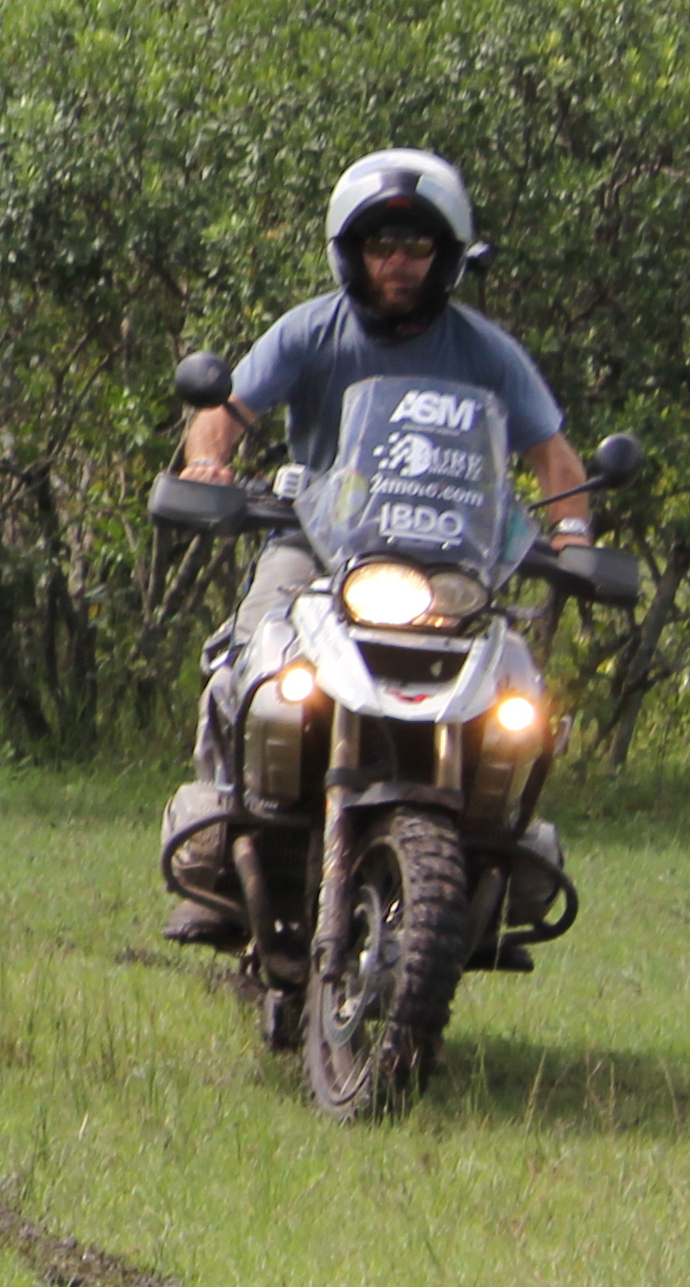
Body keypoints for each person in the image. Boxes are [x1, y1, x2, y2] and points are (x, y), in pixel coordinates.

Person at [158, 149, 595, 949]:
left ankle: (504, 843)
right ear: (351, 251)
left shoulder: (486, 351)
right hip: (320, 546)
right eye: (382, 246)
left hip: (452, 566)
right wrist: (209, 462)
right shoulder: (310, 329)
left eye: (418, 247)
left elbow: (555, 462)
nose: (399, 263)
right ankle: (219, 830)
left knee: (517, 692)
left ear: (447, 257)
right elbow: (225, 409)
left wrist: (571, 535)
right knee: (250, 652)